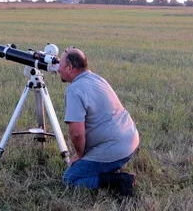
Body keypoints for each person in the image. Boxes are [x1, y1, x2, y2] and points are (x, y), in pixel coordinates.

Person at [58, 47, 139, 197]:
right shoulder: (96, 78)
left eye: (60, 64)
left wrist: (79, 155)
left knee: (70, 178)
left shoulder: (75, 90)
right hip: (131, 140)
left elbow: (76, 133)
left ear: (69, 67)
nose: (57, 68)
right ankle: (107, 167)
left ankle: (120, 180)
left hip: (116, 149)